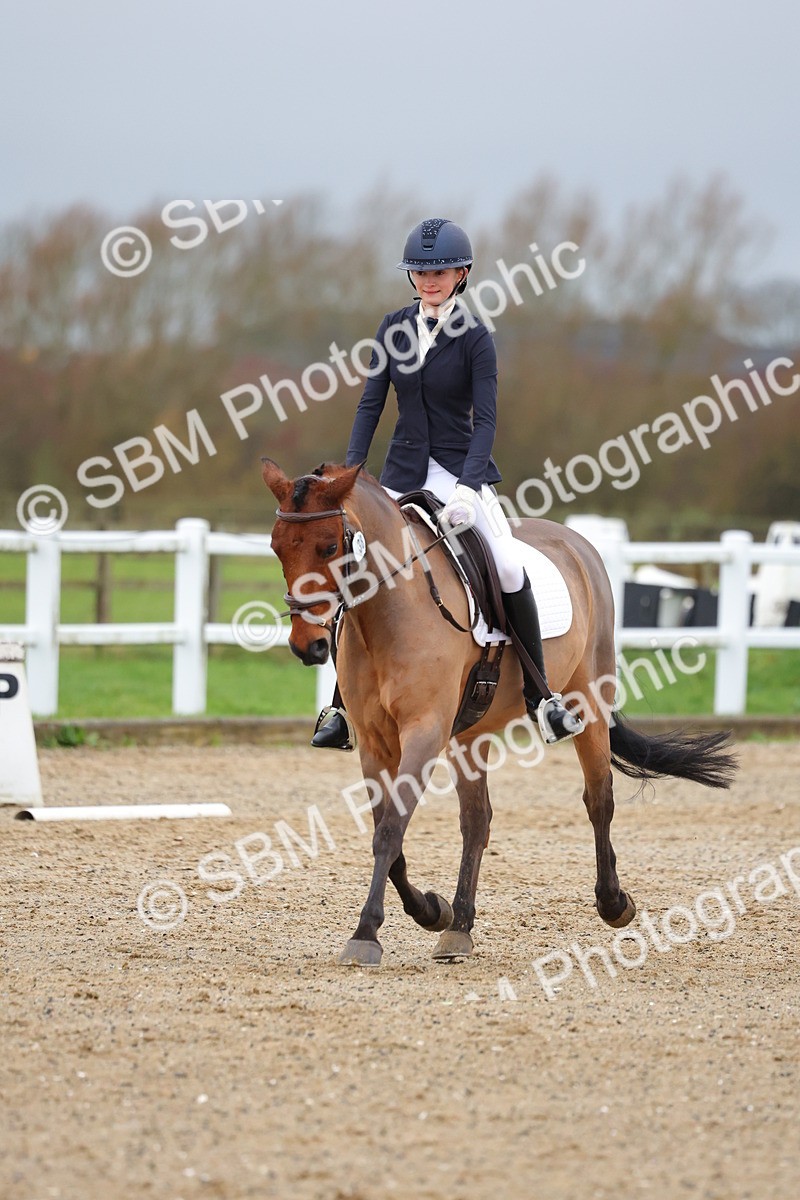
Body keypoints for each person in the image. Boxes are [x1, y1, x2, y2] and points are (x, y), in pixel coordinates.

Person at [311, 217, 583, 750]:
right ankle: (342, 706)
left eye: (440, 271)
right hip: (399, 473)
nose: (429, 279)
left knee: (505, 562)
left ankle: (540, 694)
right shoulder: (392, 327)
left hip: (462, 473)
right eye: (420, 271)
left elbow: (485, 421)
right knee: (356, 567)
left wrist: (467, 486)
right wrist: (350, 476)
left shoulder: (476, 338)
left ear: (461, 274)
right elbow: (371, 404)